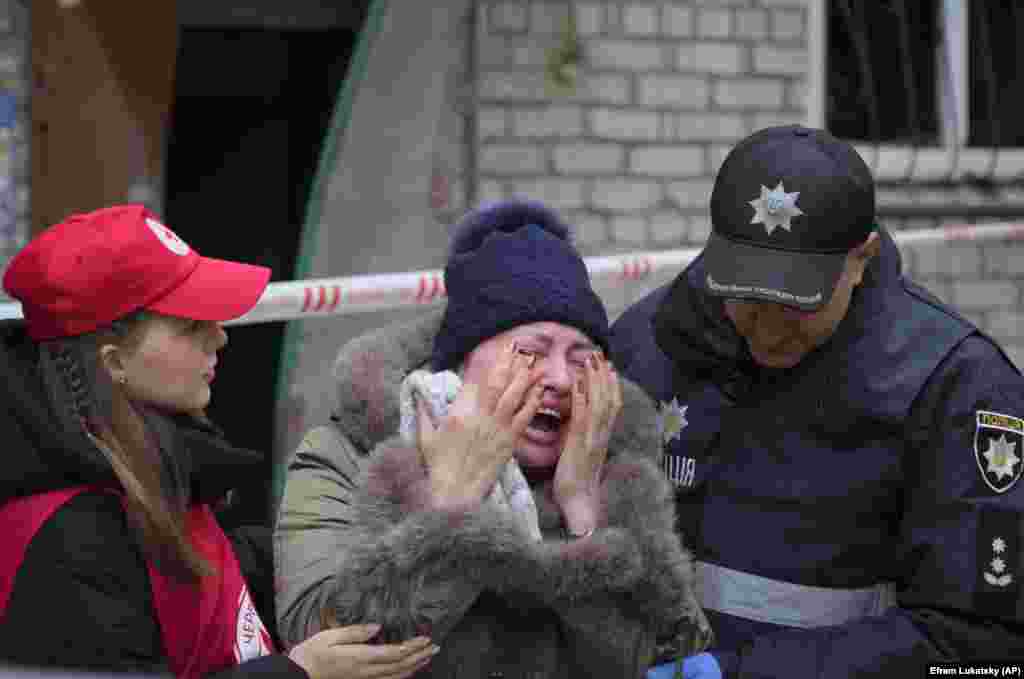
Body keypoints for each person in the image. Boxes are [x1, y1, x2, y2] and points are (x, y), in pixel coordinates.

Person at [610, 125, 1024, 678]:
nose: (769, 331)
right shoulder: (649, 345)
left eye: (797, 306)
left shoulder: (956, 390)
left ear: (862, 259)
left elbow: (982, 649)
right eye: (749, 300)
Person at [274, 200, 713, 678]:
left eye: (581, 356)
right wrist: (450, 503)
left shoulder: (620, 470)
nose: (562, 380)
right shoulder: (345, 453)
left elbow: (662, 654)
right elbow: (322, 643)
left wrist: (584, 515)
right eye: (531, 351)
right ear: (461, 365)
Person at [0, 205, 438, 679]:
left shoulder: (160, 470)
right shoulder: (64, 540)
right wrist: (298, 673)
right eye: (192, 324)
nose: (220, 337)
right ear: (114, 362)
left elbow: (229, 591)